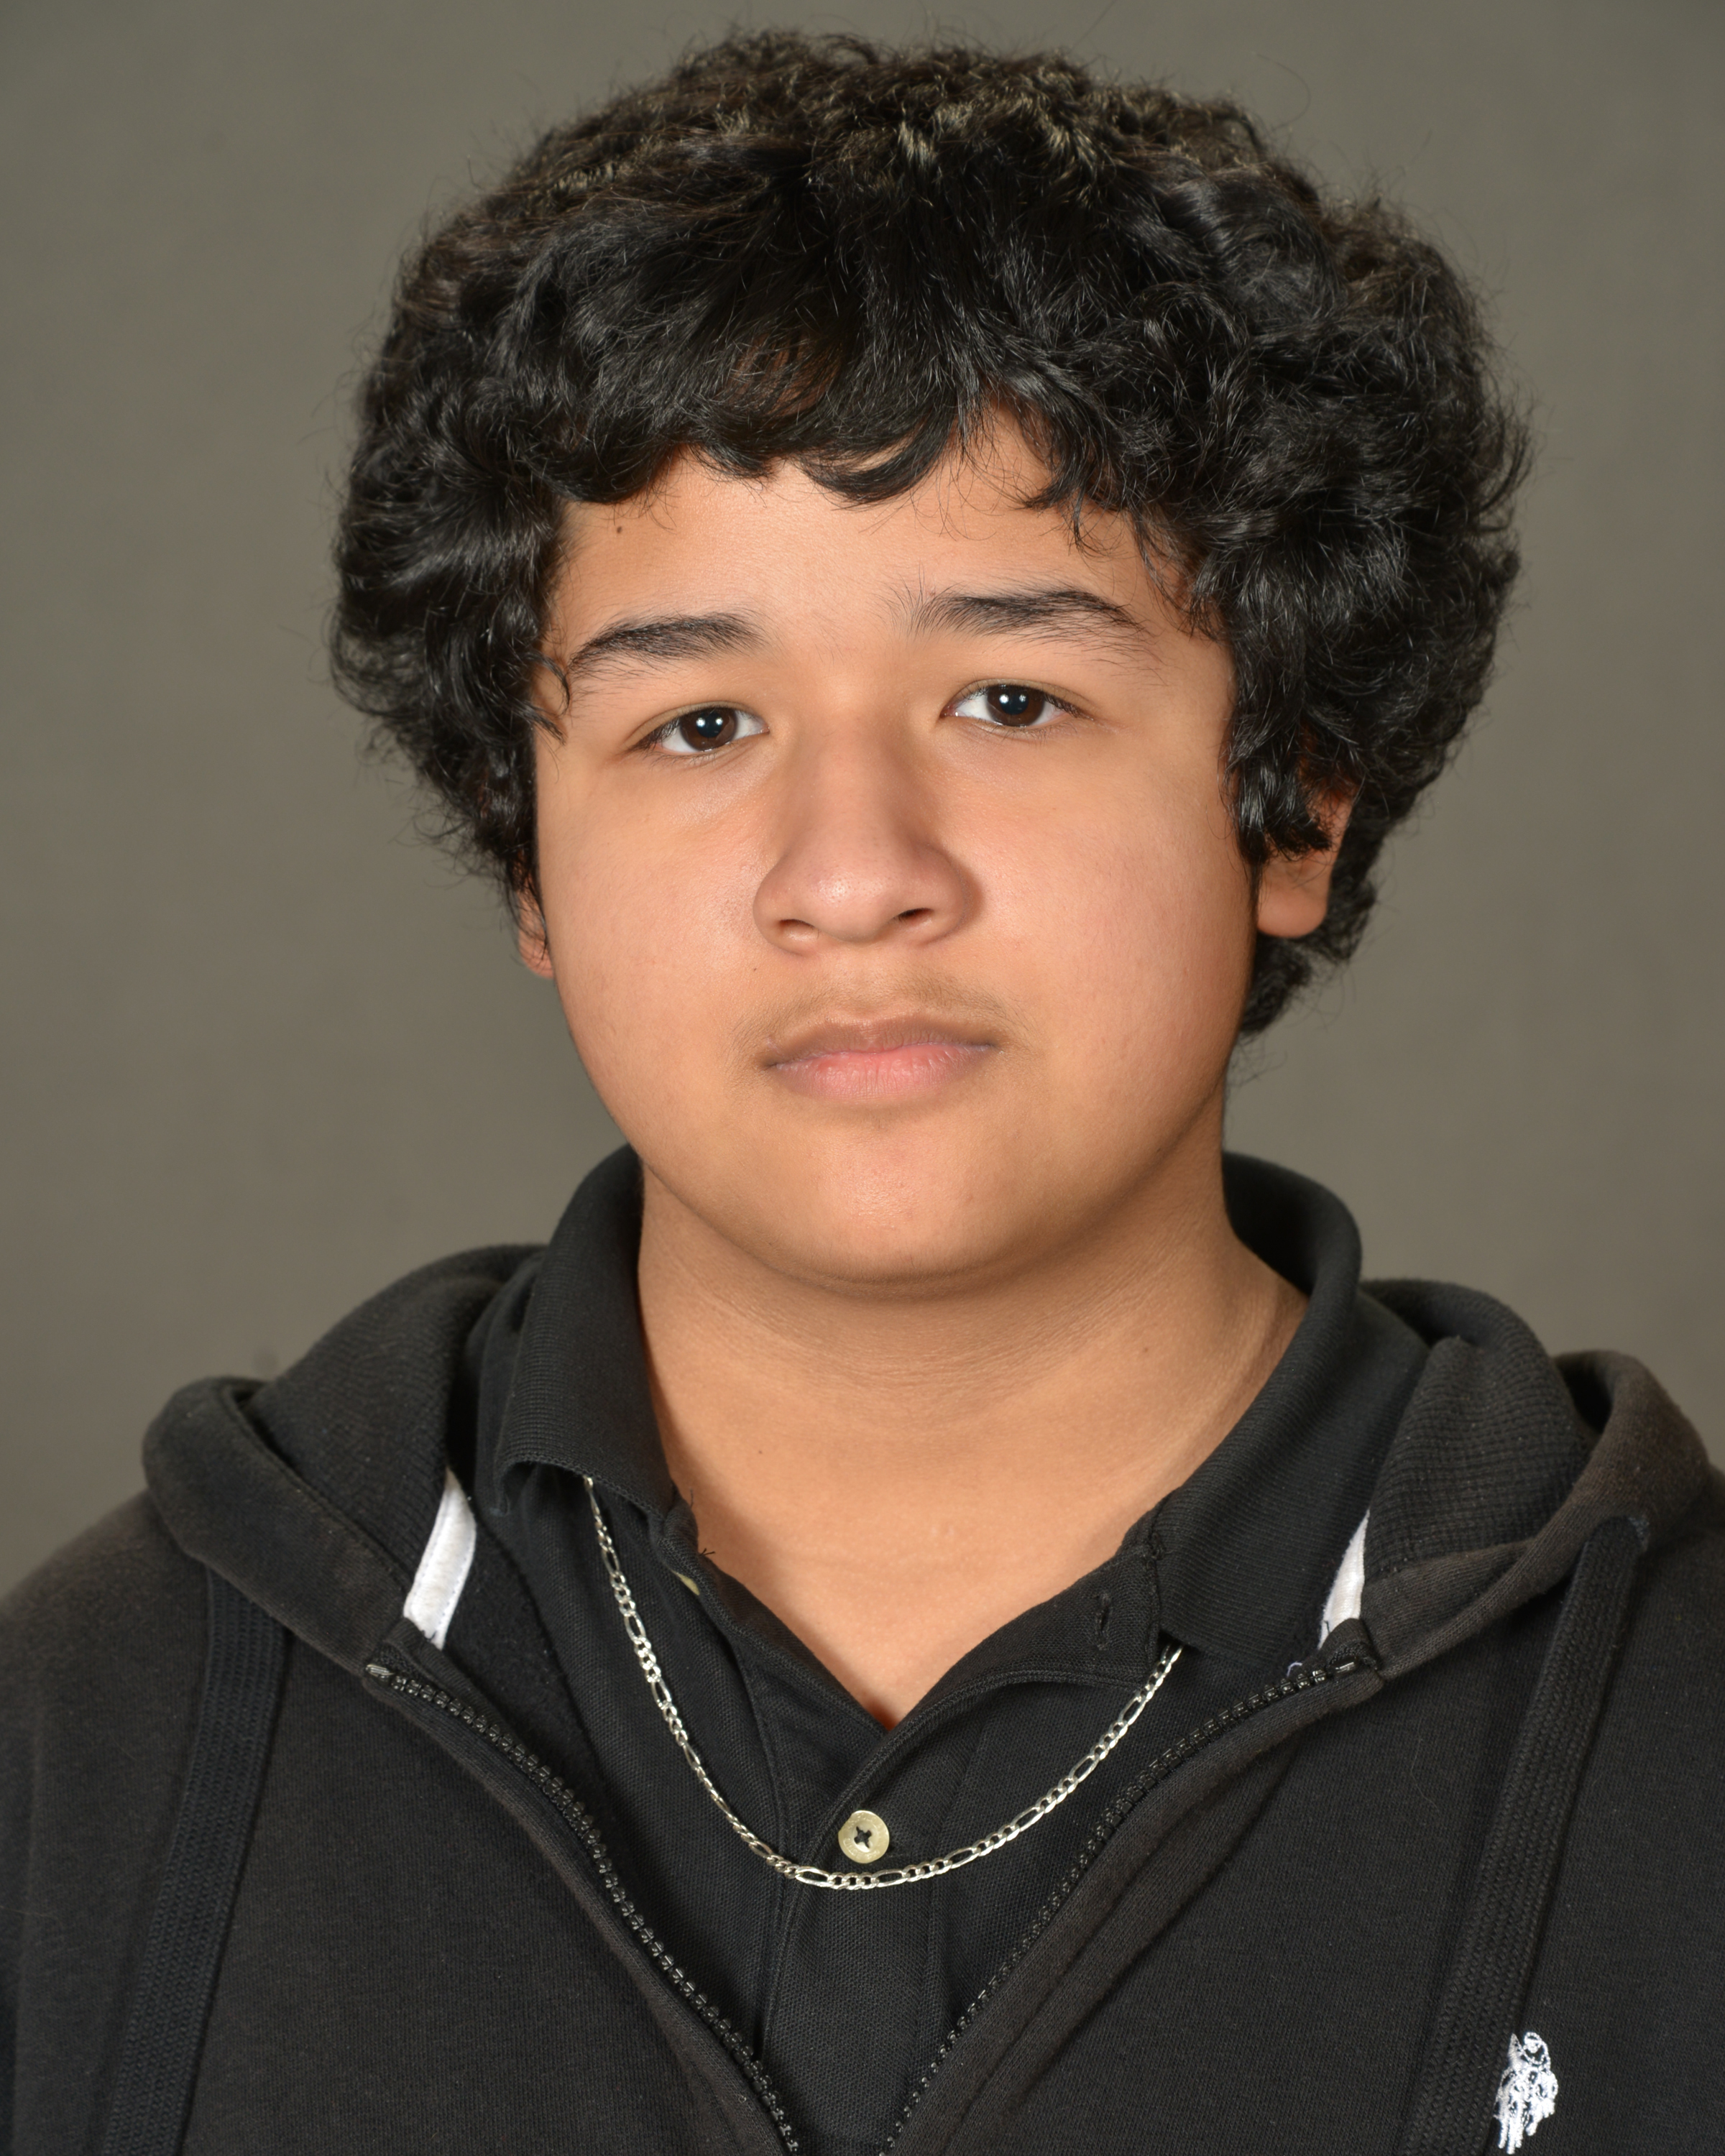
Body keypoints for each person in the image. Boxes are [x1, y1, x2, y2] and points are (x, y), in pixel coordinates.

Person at [2, 31, 1719, 2156]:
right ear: (527, 856)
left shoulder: (1681, 1737)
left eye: (1009, 697)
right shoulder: (99, 1731)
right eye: (701, 725)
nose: (853, 873)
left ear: (1295, 795)